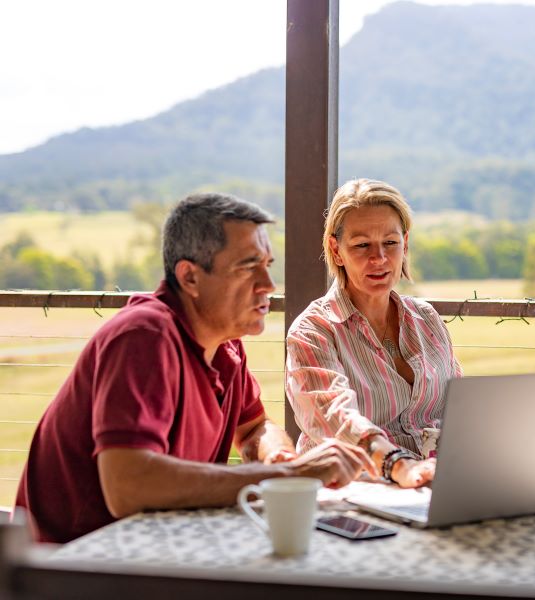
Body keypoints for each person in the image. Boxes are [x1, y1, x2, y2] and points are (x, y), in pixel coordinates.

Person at [15, 193, 375, 544]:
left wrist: (276, 455)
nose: (268, 286)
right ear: (189, 277)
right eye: (247, 267)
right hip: (74, 565)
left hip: (151, 550)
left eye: (266, 265)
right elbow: (128, 486)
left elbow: (253, 428)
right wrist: (284, 474)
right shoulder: (144, 336)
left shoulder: (224, 341)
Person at [286, 179, 460, 489]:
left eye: (390, 243)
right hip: (356, 491)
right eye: (362, 245)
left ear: (405, 243)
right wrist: (400, 466)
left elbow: (461, 409)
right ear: (336, 250)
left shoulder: (428, 319)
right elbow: (338, 421)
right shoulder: (312, 332)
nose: (378, 258)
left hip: (432, 485)